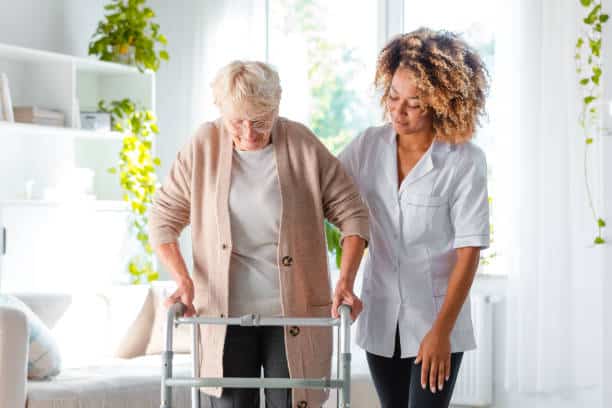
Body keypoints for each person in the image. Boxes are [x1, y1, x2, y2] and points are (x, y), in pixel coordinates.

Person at [148, 60, 369, 408]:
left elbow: (354, 214)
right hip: (224, 316)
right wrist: (184, 280)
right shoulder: (204, 144)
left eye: (262, 120)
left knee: (294, 402)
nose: (249, 133)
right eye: (237, 122)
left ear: (277, 107)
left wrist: (346, 281)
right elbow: (163, 218)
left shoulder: (301, 143)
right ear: (221, 110)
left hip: (293, 314)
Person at [338, 28, 490, 408]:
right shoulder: (367, 146)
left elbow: (469, 252)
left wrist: (441, 331)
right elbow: (326, 192)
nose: (398, 111)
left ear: (441, 103)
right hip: (380, 316)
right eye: (392, 96)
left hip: (436, 320)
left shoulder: (464, 160)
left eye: (414, 102)